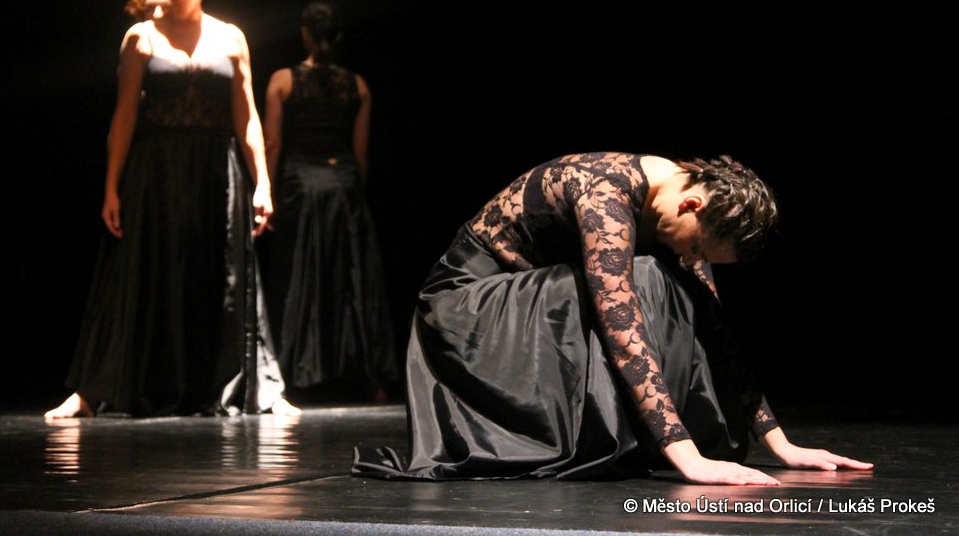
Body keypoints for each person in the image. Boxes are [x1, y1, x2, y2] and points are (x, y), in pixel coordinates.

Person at [352, 152, 872, 484]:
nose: (692, 256)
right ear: (692, 205)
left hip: (532, 303)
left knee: (674, 287)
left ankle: (645, 436)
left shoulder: (677, 208)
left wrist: (779, 443)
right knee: (644, 279)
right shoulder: (606, 196)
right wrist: (687, 459)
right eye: (697, 247)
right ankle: (642, 439)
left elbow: (715, 326)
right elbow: (623, 334)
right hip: (467, 312)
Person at [45, 0, 299, 419]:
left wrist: (262, 183)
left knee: (227, 275)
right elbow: (124, 116)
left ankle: (260, 389)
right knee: (140, 271)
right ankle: (93, 390)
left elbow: (247, 116)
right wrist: (111, 186)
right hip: (156, 170)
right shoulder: (141, 37)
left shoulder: (230, 37)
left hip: (216, 169)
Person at [259, 1, 398, 403]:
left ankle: (294, 375)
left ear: (304, 33)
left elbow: (272, 144)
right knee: (352, 279)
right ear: (338, 36)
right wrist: (354, 190)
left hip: (301, 186)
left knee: (301, 277)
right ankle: (368, 378)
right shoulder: (358, 85)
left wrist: (267, 191)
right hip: (343, 185)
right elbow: (360, 151)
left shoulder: (282, 80)